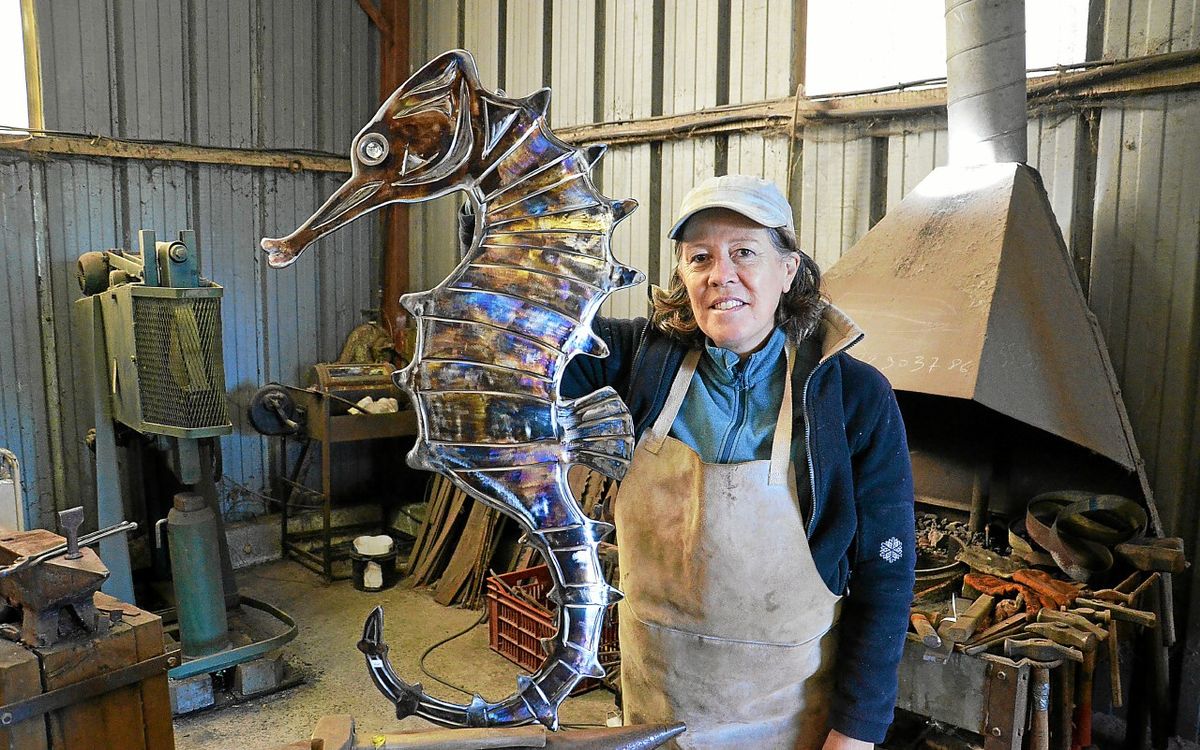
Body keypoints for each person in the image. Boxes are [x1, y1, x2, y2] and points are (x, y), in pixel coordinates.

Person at [562, 175, 916, 749]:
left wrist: (857, 730)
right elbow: (528, 344)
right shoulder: (636, 362)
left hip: (789, 720)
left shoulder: (851, 396)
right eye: (699, 257)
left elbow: (886, 575)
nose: (719, 274)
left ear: (788, 270)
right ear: (682, 275)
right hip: (656, 712)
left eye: (744, 252)